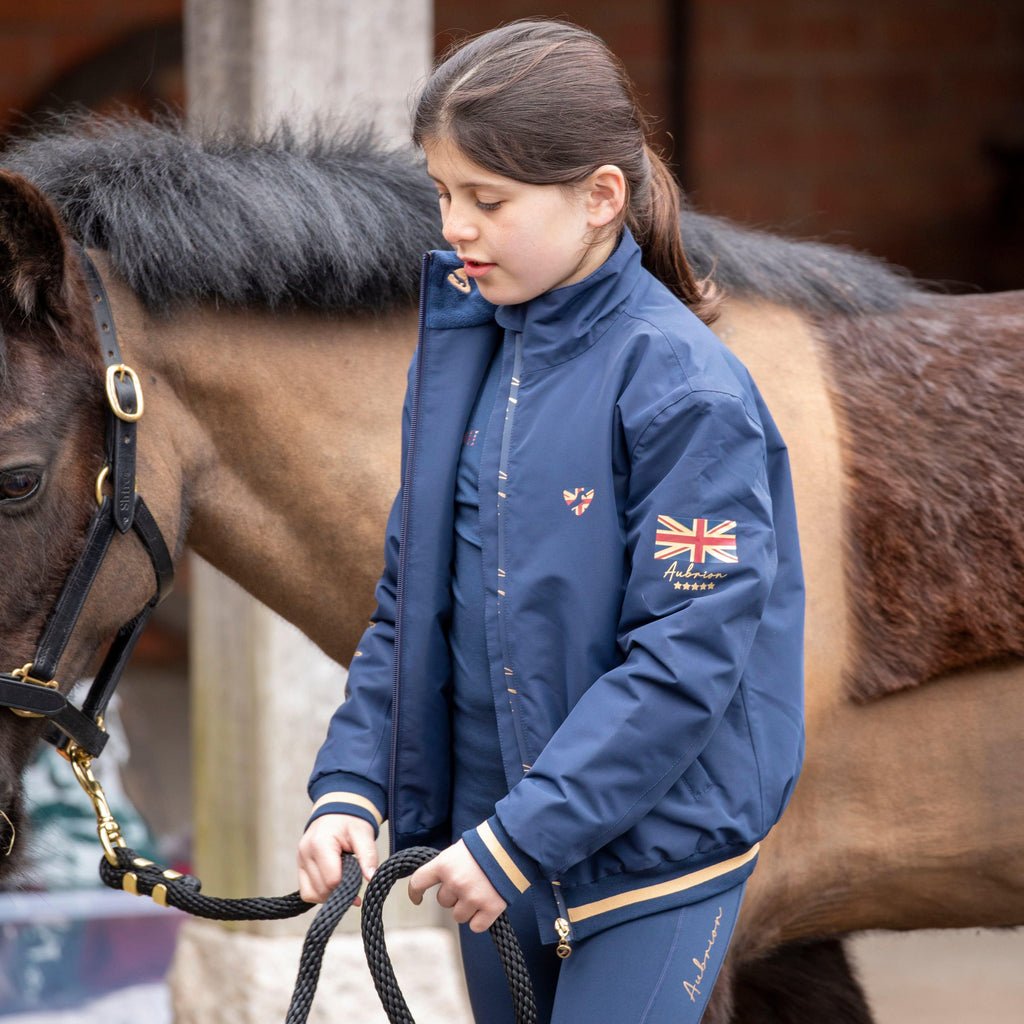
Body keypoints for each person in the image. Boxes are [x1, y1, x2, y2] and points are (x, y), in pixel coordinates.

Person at [298, 19, 804, 1024]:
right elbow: (411, 605)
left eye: (487, 200)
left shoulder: (685, 389)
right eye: (443, 195)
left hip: (646, 860)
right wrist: (352, 780)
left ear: (600, 198)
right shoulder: (463, 355)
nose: (457, 229)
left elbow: (685, 657)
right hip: (496, 853)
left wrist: (524, 836)